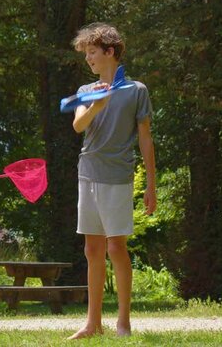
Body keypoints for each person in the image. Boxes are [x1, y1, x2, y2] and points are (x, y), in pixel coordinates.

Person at [68, 22, 157, 339]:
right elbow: (79, 126)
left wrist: (150, 184)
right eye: (86, 54)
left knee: (116, 247)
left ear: (110, 52)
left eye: (92, 53)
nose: (88, 59)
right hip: (87, 173)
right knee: (92, 249)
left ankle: (123, 322)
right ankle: (93, 324)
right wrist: (96, 104)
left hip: (118, 176)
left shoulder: (137, 91)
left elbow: (145, 139)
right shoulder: (86, 91)